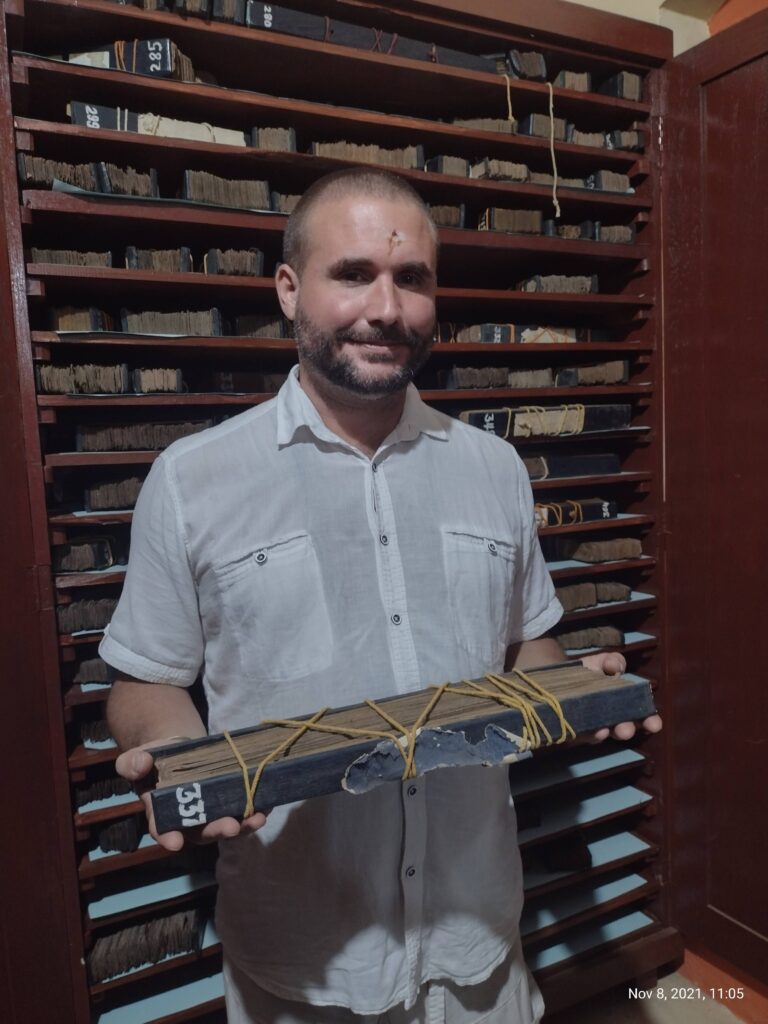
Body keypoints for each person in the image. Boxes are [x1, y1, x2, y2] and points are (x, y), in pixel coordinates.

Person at [103, 167, 661, 1024]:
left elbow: (522, 648)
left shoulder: (494, 468)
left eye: (413, 280)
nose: (387, 310)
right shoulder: (191, 480)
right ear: (290, 289)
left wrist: (573, 691)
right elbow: (145, 682)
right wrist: (190, 769)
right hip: (307, 960)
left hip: (478, 937)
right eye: (353, 273)